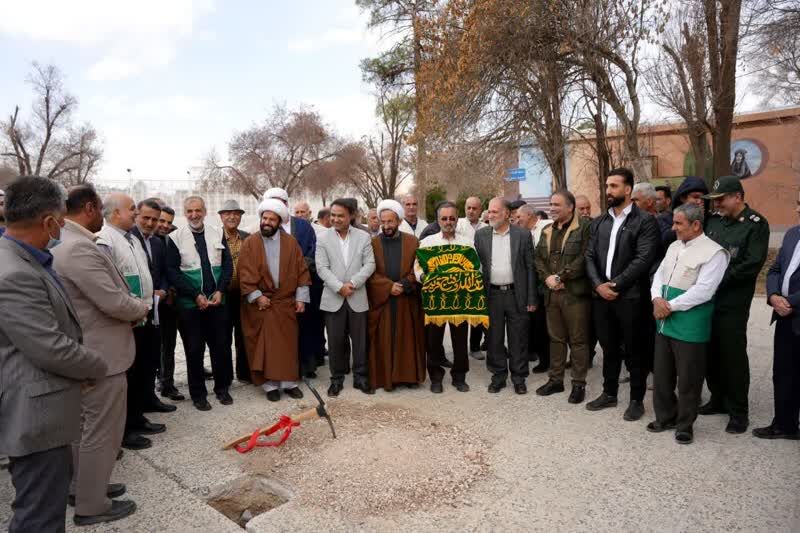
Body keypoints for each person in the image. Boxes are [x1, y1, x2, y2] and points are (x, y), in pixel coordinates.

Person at [0, 176, 107, 533]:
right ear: (48, 222)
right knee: (39, 517)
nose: (63, 228)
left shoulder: (23, 259)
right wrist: (96, 367)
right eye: (61, 221)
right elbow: (50, 347)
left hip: (45, 410)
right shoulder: (13, 273)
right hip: (35, 418)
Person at [53, 184, 149, 524]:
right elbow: (112, 301)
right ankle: (92, 505)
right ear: (92, 208)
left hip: (89, 353)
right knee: (100, 431)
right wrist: (142, 307)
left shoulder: (69, 242)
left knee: (84, 428)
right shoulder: (77, 247)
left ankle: (84, 488)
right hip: (101, 356)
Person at [648, 203, 729, 445]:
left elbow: (704, 291)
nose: (673, 228)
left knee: (688, 379)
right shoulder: (674, 246)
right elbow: (659, 276)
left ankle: (685, 425)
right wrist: (656, 298)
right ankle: (665, 416)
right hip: (664, 319)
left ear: (696, 225)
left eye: (678, 223)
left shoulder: (715, 253)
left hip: (690, 322)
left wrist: (669, 306)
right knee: (662, 375)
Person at [585, 167, 660, 421]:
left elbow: (643, 259)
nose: (608, 191)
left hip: (630, 298)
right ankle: (609, 393)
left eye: (614, 186)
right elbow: (590, 257)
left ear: (628, 189)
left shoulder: (645, 221)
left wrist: (614, 285)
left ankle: (637, 400)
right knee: (609, 347)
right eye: (607, 186)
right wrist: (598, 285)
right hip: (602, 298)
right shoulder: (599, 221)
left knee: (635, 349)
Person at [96, 194, 167, 449]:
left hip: (145, 315)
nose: (136, 215)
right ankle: (123, 431)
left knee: (142, 371)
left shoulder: (132, 239)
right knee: (128, 376)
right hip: (127, 319)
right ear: (115, 213)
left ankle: (137, 418)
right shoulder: (105, 240)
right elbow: (108, 285)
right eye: (131, 210)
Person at [701, 175, 769, 434]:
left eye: (721, 200)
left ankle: (739, 411)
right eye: (714, 201)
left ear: (737, 197)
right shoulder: (714, 222)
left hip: (732, 302)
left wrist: (713, 279)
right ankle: (717, 399)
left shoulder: (755, 224)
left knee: (732, 356)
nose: (716, 205)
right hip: (707, 300)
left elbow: (751, 264)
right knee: (710, 352)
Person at [238, 199, 311, 401]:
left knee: (287, 346)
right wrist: (257, 296)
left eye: (272, 219)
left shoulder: (291, 243)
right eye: (264, 218)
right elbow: (244, 273)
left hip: (284, 304)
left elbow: (302, 271)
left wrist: (301, 298)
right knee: (265, 348)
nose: (267, 222)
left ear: (279, 222)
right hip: (261, 305)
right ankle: (269, 386)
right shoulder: (251, 242)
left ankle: (288, 383)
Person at [166, 196, 234, 411]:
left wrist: (221, 291)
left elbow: (227, 265)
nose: (194, 215)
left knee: (221, 347)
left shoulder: (217, 232)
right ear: (184, 213)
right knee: (194, 350)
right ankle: (198, 395)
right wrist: (195, 294)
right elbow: (173, 272)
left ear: (205, 211)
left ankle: (222, 389)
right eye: (189, 211)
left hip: (216, 303)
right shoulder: (175, 238)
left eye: (198, 210)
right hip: (190, 306)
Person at [475, 197, 538, 394]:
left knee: (518, 338)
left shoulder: (523, 235)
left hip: (515, 294)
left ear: (506, 214)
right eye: (489, 211)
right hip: (492, 294)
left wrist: (531, 298)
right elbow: (478, 267)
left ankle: (519, 378)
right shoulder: (481, 235)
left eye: (494, 212)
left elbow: (530, 268)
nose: (490, 215)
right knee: (494, 338)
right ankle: (498, 376)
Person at [534, 190, 592, 403]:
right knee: (555, 339)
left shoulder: (584, 227)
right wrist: (548, 278)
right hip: (552, 294)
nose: (552, 208)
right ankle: (556, 380)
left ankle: (578, 384)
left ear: (570, 207)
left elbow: (585, 256)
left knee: (578, 340)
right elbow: (538, 258)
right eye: (551, 204)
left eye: (557, 204)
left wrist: (560, 277)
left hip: (574, 294)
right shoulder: (547, 230)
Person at [316, 198, 376, 396]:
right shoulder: (323, 238)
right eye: (333, 215)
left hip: (357, 296)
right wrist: (339, 287)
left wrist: (353, 284)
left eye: (340, 215)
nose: (335, 219)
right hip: (333, 298)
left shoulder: (363, 236)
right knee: (335, 342)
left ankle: (361, 377)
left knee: (360, 341)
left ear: (351, 216)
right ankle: (337, 379)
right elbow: (322, 268)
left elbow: (370, 264)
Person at [263, 188, 325, 377]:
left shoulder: (303, 226)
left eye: (279, 201)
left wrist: (296, 270)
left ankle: (307, 366)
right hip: (277, 290)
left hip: (303, 284)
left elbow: (312, 251)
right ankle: (284, 369)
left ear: (286, 203)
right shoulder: (266, 228)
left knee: (305, 326)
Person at [366, 200, 426, 391]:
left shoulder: (412, 241)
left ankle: (408, 376)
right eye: (383, 222)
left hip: (406, 299)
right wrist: (388, 287)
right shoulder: (373, 243)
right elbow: (370, 272)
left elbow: (417, 267)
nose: (386, 226)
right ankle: (386, 378)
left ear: (399, 221)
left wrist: (405, 284)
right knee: (384, 339)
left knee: (406, 338)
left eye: (390, 222)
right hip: (383, 300)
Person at [415, 201, 475, 392]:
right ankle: (435, 378)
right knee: (433, 340)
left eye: (452, 218)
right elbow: (417, 267)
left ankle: (459, 377)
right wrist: (424, 277)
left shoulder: (466, 242)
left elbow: (476, 266)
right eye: (444, 218)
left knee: (459, 340)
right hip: (436, 300)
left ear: (457, 219)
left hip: (459, 300)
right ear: (438, 220)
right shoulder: (427, 242)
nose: (448, 222)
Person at [754, 190, 800, 440]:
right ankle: (784, 424)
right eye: (798, 204)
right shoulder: (793, 234)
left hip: (794, 310)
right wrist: (773, 296)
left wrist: (790, 301)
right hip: (784, 317)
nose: (798, 210)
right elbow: (775, 269)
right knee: (783, 373)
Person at [130, 199, 175, 411]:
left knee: (151, 356)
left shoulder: (157, 242)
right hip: (136, 310)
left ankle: (150, 399)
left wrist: (163, 290)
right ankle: (137, 406)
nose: (150, 223)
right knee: (137, 360)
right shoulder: (128, 240)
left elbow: (165, 272)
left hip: (158, 309)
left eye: (154, 219)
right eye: (146, 217)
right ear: (136, 215)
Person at [218, 200, 251, 382]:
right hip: (223, 294)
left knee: (243, 334)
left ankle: (244, 373)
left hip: (244, 294)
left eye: (236, 213)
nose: (232, 217)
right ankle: (225, 377)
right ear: (221, 216)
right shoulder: (214, 237)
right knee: (223, 337)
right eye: (227, 213)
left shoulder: (248, 237)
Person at [154, 206, 183, 401]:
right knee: (159, 345)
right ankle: (162, 380)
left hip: (172, 299)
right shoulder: (142, 239)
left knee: (169, 344)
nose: (165, 225)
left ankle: (167, 383)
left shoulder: (174, 237)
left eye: (168, 222)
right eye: (161, 221)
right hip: (154, 299)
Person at [518, 204, 552, 369]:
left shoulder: (547, 226)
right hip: (532, 287)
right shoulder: (524, 234)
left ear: (530, 215)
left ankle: (550, 360)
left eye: (520, 217)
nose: (517, 220)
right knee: (536, 326)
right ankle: (542, 359)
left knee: (547, 326)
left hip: (547, 285)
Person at [456, 197, 489, 359]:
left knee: (477, 312)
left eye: (474, 208)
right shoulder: (458, 225)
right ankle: (459, 349)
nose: (471, 211)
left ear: (480, 210)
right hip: (461, 276)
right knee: (461, 314)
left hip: (480, 275)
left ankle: (475, 347)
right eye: (468, 207)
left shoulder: (486, 227)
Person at [662, 176, 708, 246]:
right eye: (695, 197)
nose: (700, 201)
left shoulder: (711, 221)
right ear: (683, 198)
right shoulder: (665, 220)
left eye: (703, 198)